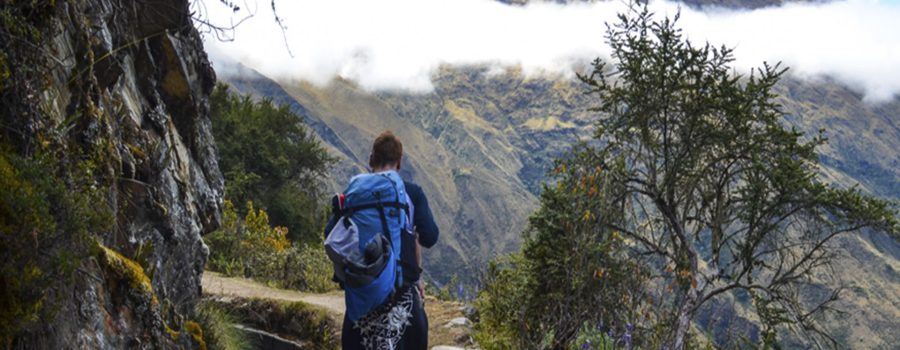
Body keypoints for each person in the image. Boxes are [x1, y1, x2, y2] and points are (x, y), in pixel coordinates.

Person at [325, 131, 439, 350]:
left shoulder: (354, 194)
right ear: (399, 164)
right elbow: (430, 237)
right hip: (403, 298)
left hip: (363, 295)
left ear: (371, 159)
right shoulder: (411, 193)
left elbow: (330, 233)